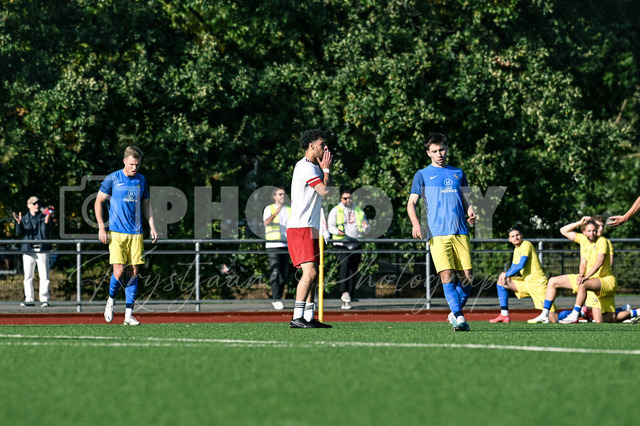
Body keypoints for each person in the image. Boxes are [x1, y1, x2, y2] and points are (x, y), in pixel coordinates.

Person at [407, 133, 476, 331]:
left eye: (442, 150)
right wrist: (415, 224)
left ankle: (454, 312)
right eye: (435, 151)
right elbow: (411, 203)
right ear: (428, 153)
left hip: (460, 232)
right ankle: (460, 317)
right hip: (437, 234)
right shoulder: (422, 174)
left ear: (447, 149)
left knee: (468, 278)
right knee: (447, 276)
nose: (439, 154)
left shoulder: (458, 173)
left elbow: (466, 199)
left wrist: (471, 212)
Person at [95, 146, 158, 325]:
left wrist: (152, 226)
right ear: (124, 161)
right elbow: (98, 201)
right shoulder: (113, 178)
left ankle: (128, 315)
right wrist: (101, 227)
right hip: (116, 232)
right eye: (131, 164)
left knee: (134, 272)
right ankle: (111, 300)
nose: (134, 167)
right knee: (119, 271)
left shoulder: (141, 180)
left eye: (137, 164)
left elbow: (146, 205)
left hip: (136, 233)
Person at [528, 217, 617, 324]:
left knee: (603, 319)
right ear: (584, 232)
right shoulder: (583, 239)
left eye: (594, 230)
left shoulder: (602, 241)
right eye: (589, 231)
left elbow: (600, 262)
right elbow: (563, 231)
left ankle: (575, 314)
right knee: (552, 281)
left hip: (604, 280)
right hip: (588, 279)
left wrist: (586, 277)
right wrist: (579, 222)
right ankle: (545, 314)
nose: (593, 233)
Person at [286, 129, 333, 328]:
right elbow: (324, 191)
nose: (325, 147)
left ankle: (307, 317)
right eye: (322, 144)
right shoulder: (305, 166)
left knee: (314, 274)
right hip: (300, 227)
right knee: (310, 273)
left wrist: (325, 171)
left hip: (310, 227)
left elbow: (326, 190)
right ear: (311, 145)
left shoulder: (313, 167)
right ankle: (296, 317)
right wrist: (327, 170)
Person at [489, 227, 555, 323]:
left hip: (538, 284)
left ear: (521, 235)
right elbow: (513, 267)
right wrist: (505, 275)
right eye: (513, 236)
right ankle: (504, 315)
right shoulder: (516, 250)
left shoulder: (526, 244)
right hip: (525, 283)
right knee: (501, 282)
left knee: (553, 317)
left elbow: (521, 265)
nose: (515, 238)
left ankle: (574, 314)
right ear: (509, 239)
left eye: (517, 235)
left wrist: (506, 274)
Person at [328, 190, 370, 310]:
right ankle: (344, 292)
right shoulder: (336, 210)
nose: (348, 200)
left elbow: (366, 228)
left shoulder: (359, 211)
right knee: (345, 264)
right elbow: (330, 227)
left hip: (355, 244)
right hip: (341, 243)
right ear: (341, 199)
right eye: (345, 198)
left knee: (353, 270)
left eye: (349, 198)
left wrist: (366, 227)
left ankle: (349, 296)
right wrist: (338, 232)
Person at [13, 196, 53, 307]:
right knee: (28, 276)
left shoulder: (43, 217)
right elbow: (19, 233)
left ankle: (44, 300)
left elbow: (47, 233)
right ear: (29, 205)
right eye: (34, 203)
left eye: (38, 203)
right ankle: (29, 299)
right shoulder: (24, 218)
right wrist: (19, 223)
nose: (37, 205)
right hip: (28, 250)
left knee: (44, 276)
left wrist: (46, 222)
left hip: (42, 249)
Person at [263, 187, 291, 310]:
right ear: (274, 196)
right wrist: (276, 213)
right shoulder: (269, 208)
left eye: (284, 194)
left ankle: (279, 297)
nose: (282, 196)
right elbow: (266, 223)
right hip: (273, 245)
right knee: (275, 272)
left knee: (284, 274)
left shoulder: (289, 209)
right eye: (280, 194)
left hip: (286, 245)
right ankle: (276, 298)